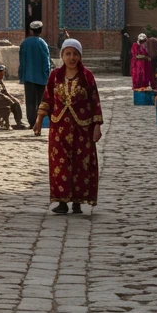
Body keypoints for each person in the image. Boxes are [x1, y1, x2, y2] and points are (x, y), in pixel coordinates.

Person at [34, 38, 104, 214]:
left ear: (80, 56)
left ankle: (78, 202)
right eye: (68, 54)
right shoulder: (55, 75)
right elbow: (47, 98)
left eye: (75, 54)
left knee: (81, 164)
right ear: (62, 56)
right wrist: (38, 120)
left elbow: (94, 101)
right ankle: (62, 201)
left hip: (82, 129)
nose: (71, 58)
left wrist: (97, 126)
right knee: (60, 165)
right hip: (59, 129)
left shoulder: (87, 76)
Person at [19, 20, 53, 127]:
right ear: (41, 30)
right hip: (41, 78)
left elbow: (22, 61)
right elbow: (46, 61)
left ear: (31, 30)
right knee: (41, 102)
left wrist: (22, 76)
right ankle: (39, 122)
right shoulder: (43, 44)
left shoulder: (25, 43)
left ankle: (31, 122)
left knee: (30, 101)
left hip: (28, 77)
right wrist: (47, 76)